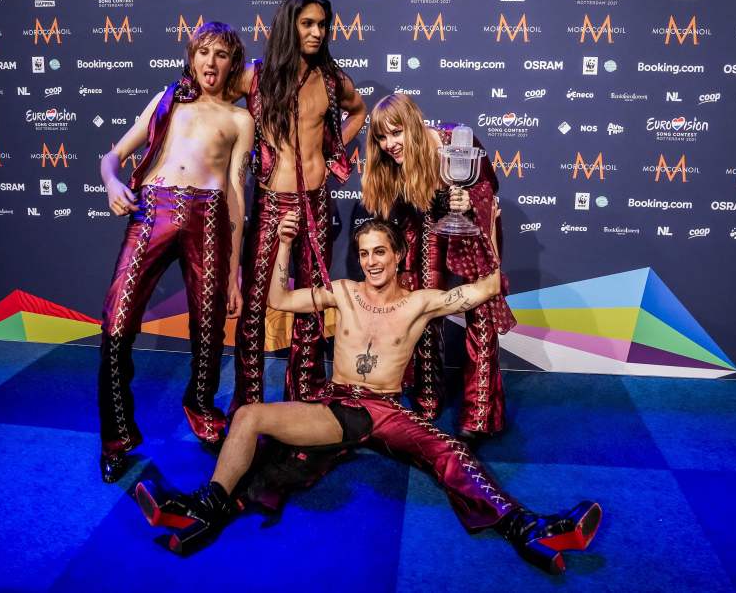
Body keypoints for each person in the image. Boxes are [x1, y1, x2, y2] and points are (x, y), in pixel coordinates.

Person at [134, 212, 601, 575]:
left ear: (398, 255)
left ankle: (529, 529)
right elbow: (280, 298)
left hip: (383, 408)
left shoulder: (419, 302)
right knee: (256, 425)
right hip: (337, 404)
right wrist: (284, 244)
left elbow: (486, 287)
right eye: (364, 253)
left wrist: (485, 227)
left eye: (380, 252)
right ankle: (205, 508)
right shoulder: (344, 292)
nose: (372, 261)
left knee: (449, 451)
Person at [96, 22, 253, 482]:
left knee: (208, 328)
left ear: (232, 64)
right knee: (117, 323)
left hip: (209, 219)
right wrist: (111, 182)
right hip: (152, 211)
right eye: (203, 52)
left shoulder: (241, 120)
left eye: (221, 54)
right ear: (191, 57)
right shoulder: (168, 101)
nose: (210, 62)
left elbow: (237, 197)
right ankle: (116, 437)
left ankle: (201, 408)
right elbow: (114, 155)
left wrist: (234, 274)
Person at [229, 0, 366, 412]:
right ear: (290, 25)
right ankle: (247, 404)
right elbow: (212, 101)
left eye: (322, 25)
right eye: (307, 23)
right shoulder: (255, 76)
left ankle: (304, 398)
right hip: (270, 203)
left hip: (317, 202)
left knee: (310, 302)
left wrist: (332, 154)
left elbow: (358, 110)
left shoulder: (330, 79)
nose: (317, 32)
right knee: (254, 307)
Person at [362, 93, 515, 438]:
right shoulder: (390, 161)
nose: (389, 144)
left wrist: (465, 198)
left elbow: (489, 186)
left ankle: (480, 415)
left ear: (413, 126)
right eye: (382, 137)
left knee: (480, 307)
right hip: (426, 224)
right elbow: (401, 208)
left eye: (396, 133)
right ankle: (426, 397)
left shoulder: (455, 140)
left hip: (472, 225)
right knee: (422, 299)